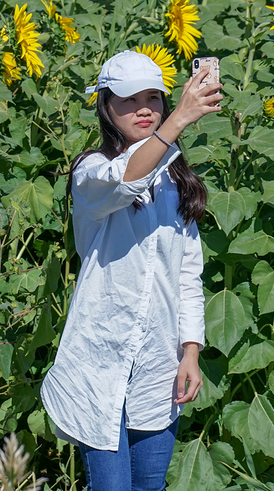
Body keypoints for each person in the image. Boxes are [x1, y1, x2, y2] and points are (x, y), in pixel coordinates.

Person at [40, 50, 224, 491]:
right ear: (105, 106)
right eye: (128, 99)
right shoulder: (91, 172)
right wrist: (176, 122)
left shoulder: (177, 182)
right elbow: (127, 178)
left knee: (150, 486)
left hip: (157, 366)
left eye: (154, 98)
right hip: (99, 362)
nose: (144, 109)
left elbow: (187, 277)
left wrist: (191, 352)